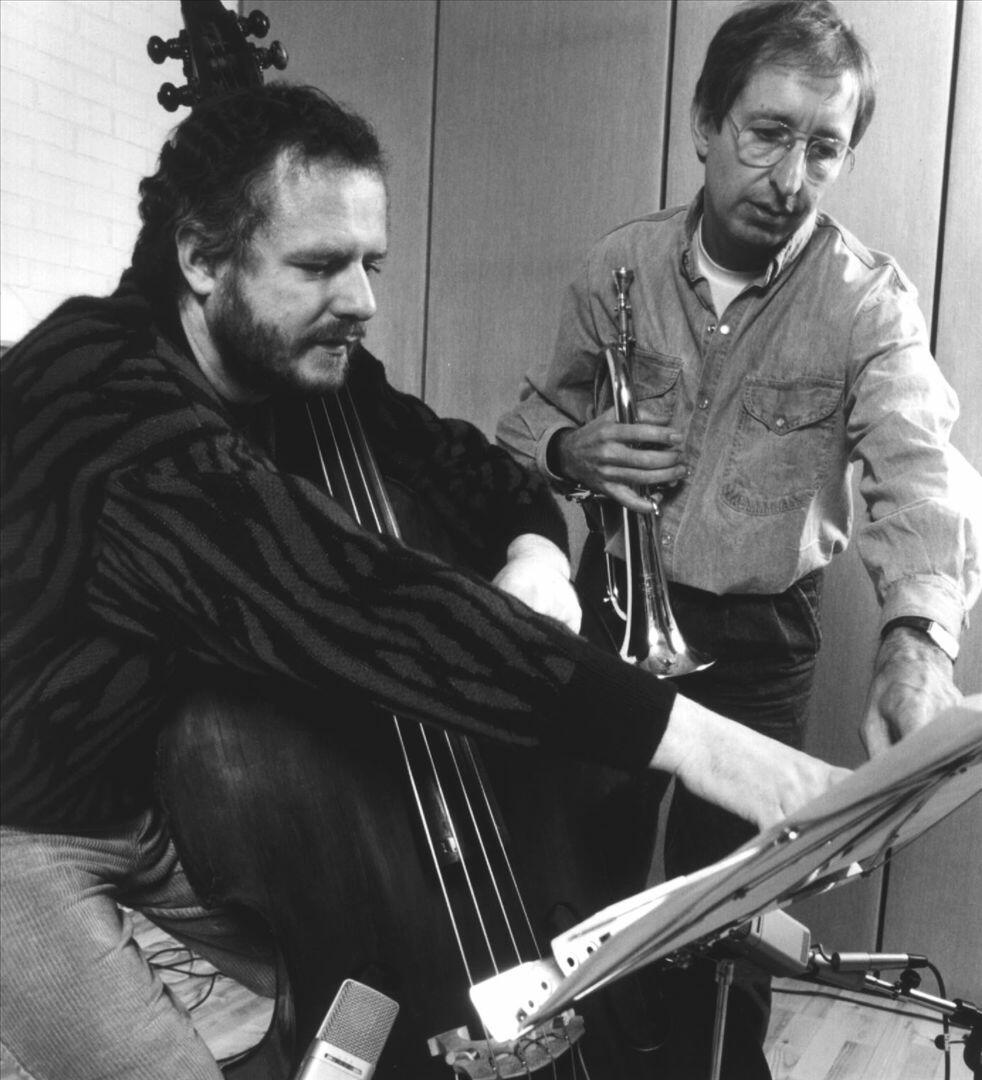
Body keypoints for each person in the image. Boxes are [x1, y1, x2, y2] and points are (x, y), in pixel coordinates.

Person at [0, 83, 846, 1080]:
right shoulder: (98, 395)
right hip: (34, 817)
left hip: (178, 780)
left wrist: (534, 550)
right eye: (319, 265)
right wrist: (709, 749)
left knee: (374, 970)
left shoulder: (297, 365)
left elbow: (468, 469)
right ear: (200, 257)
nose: (362, 301)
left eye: (370, 263)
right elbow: (355, 599)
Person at [496, 1, 980, 1077]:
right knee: (576, 877)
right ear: (705, 125)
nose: (791, 178)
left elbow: (924, 469)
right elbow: (525, 424)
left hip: (763, 637)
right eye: (767, 134)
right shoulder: (617, 263)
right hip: (615, 609)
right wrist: (572, 450)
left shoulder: (867, 302)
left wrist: (917, 639)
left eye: (824, 147)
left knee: (734, 911)